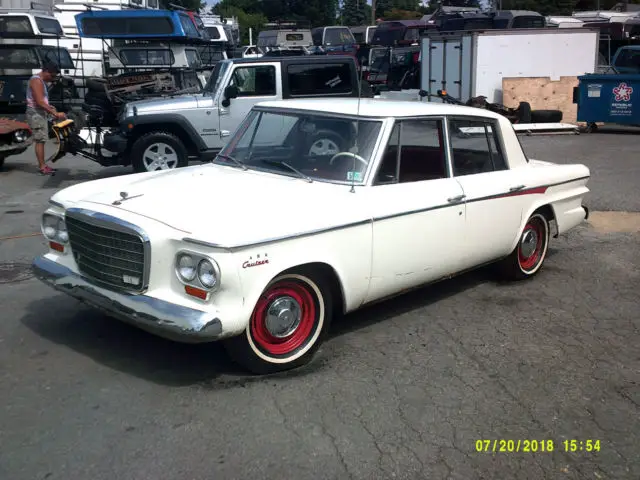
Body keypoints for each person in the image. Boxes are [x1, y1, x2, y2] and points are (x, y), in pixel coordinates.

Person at [26, 61, 66, 175]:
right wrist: (55, 114)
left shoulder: (40, 81)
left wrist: (50, 108)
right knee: (40, 140)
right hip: (35, 113)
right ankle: (42, 167)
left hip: (38, 112)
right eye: (52, 76)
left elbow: (42, 101)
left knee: (42, 139)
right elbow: (39, 102)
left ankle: (43, 165)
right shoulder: (36, 81)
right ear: (46, 71)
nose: (53, 79)